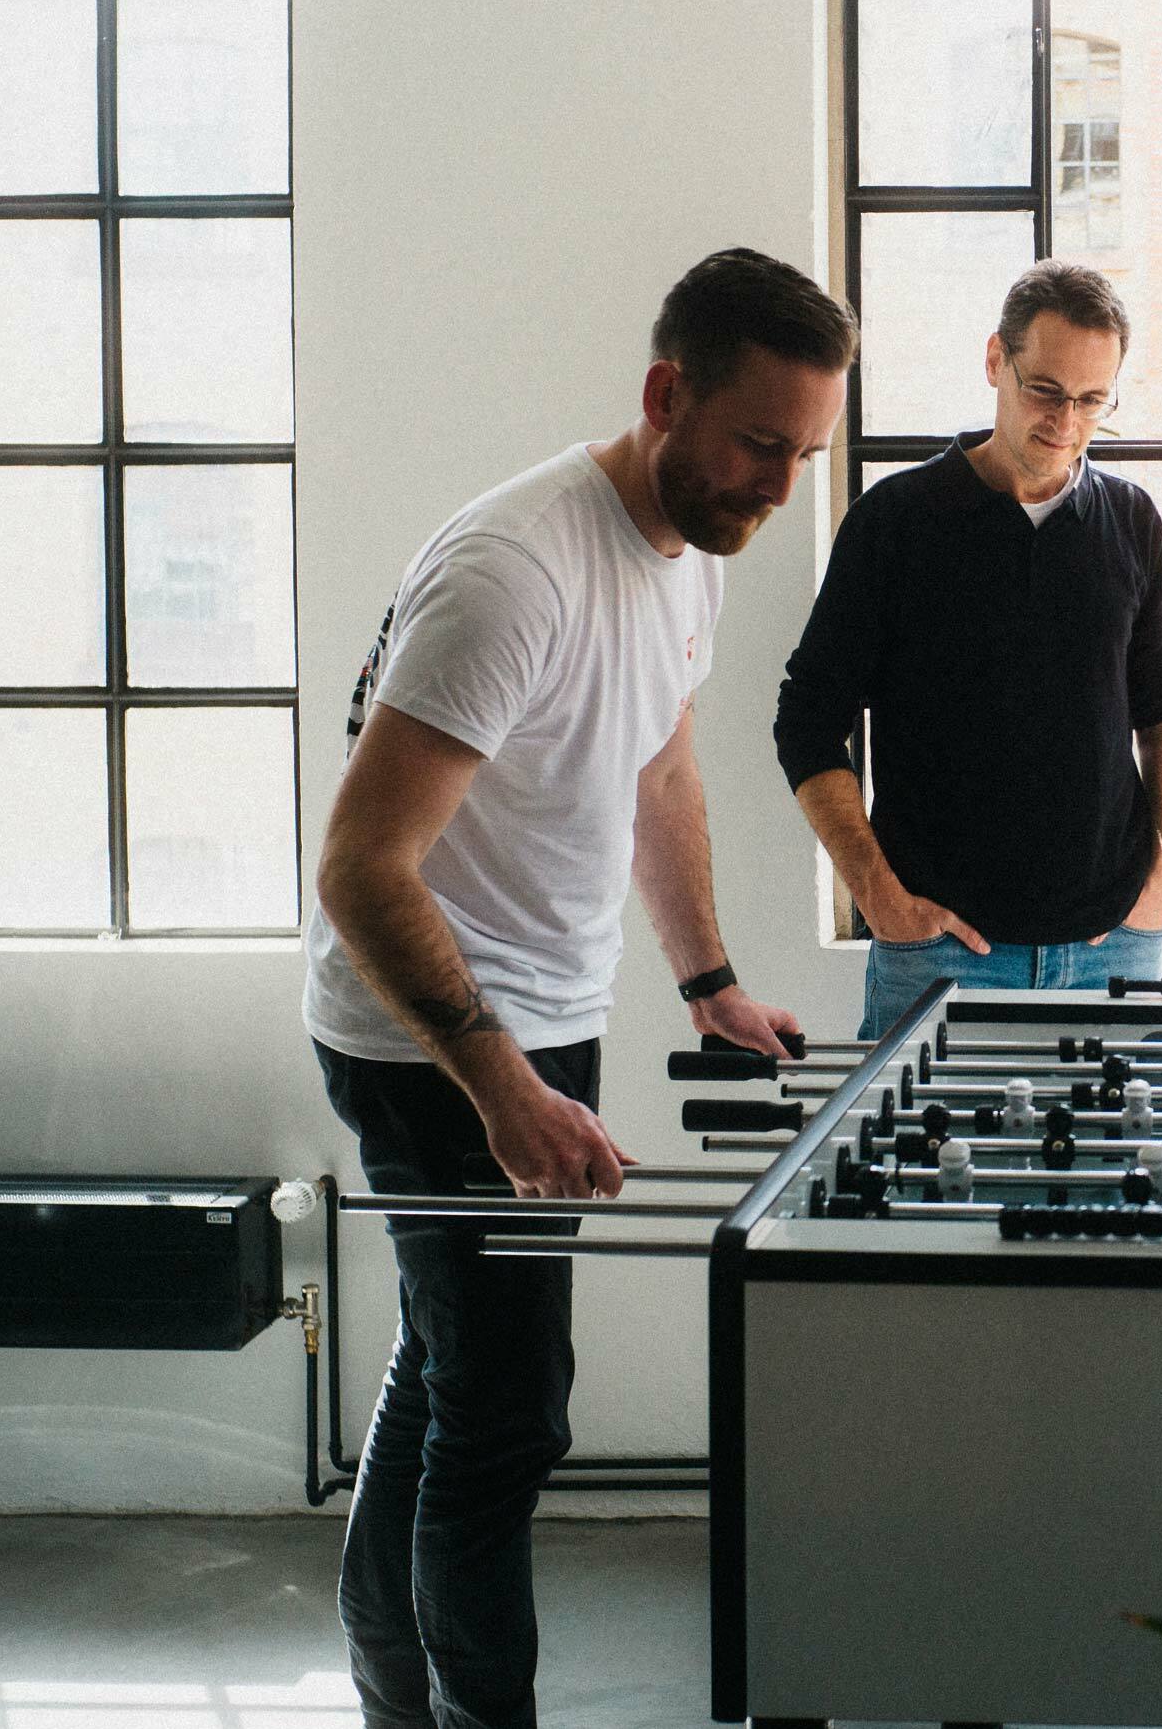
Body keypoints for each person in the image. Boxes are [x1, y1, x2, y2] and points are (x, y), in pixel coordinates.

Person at [305, 247, 854, 1729]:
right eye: (757, 445)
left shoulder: (684, 551)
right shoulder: (515, 572)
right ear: (666, 394)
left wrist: (708, 978)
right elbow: (359, 868)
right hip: (427, 1037)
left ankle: (390, 1696)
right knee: (507, 1416)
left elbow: (657, 758)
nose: (777, 486)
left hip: (539, 1020)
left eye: (804, 455)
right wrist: (502, 1090)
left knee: (450, 1364)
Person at [776, 261, 1162, 1039]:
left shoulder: (1133, 520)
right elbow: (805, 720)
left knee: (1119, 1164)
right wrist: (877, 893)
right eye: (1045, 390)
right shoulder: (895, 522)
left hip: (1113, 949)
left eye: (1092, 401)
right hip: (937, 956)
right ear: (996, 360)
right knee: (914, 1165)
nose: (1065, 422)